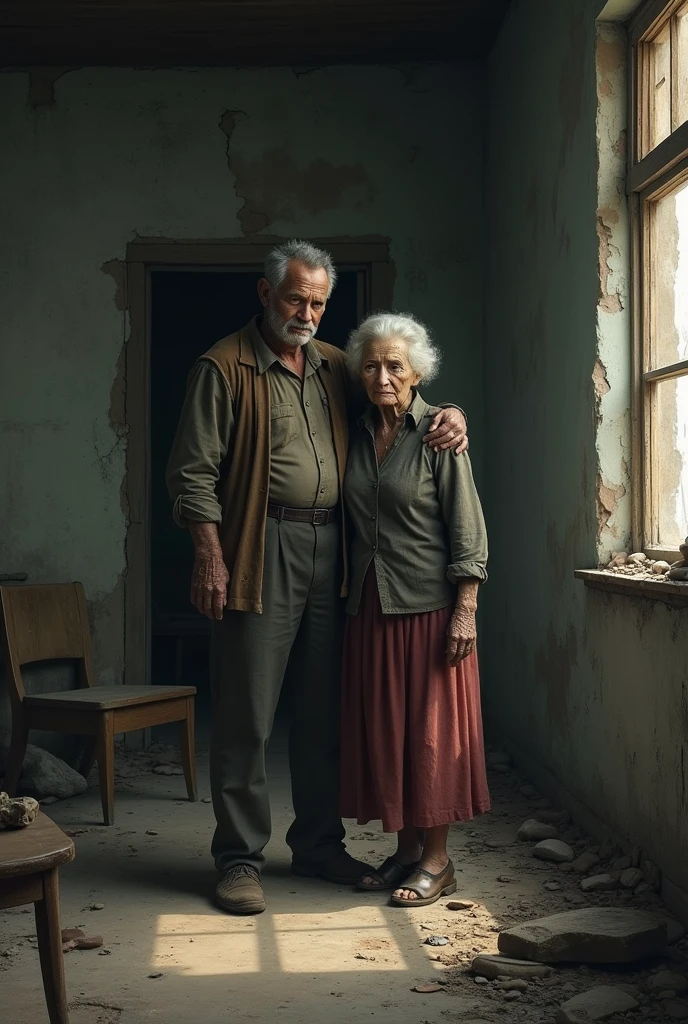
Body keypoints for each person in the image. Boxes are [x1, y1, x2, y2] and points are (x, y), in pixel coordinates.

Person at [166, 241, 469, 916]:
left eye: (319, 301)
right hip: (257, 545)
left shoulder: (338, 364)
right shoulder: (223, 366)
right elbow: (191, 474)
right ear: (265, 294)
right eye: (296, 298)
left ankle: (318, 845)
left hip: (337, 549)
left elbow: (398, 398)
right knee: (247, 714)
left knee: (324, 710)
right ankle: (240, 859)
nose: (307, 312)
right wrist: (210, 557)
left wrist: (449, 415)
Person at [340, 312, 490, 908]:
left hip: (429, 608)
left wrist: (466, 608)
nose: (382, 376)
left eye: (394, 365)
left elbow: (467, 526)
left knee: (431, 737)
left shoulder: (438, 434)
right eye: (371, 365)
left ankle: (437, 860)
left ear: (417, 372)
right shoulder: (354, 432)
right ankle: (405, 851)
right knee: (389, 732)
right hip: (371, 605)